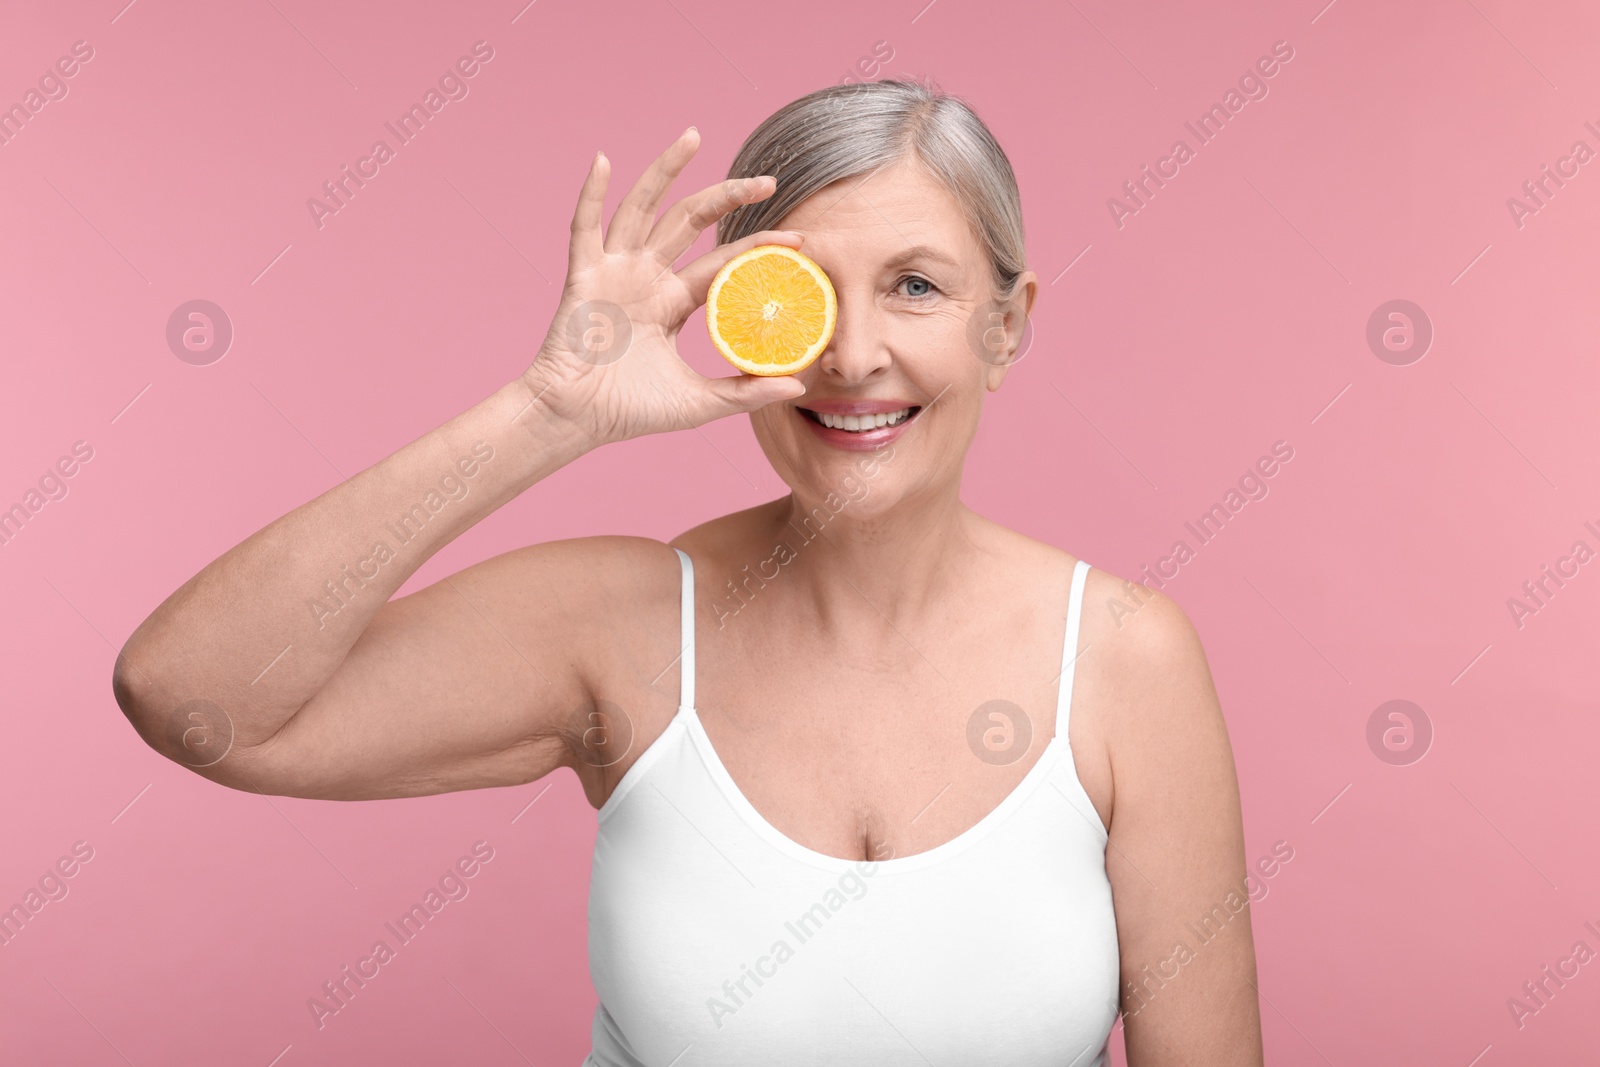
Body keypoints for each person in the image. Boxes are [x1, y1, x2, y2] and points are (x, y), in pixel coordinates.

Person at [112, 78, 1264, 1065]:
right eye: (801, 293)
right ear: (736, 314)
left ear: (1004, 327)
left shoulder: (1122, 656)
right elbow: (196, 699)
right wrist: (546, 412)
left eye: (916, 285)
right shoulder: (618, 625)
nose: (853, 355)